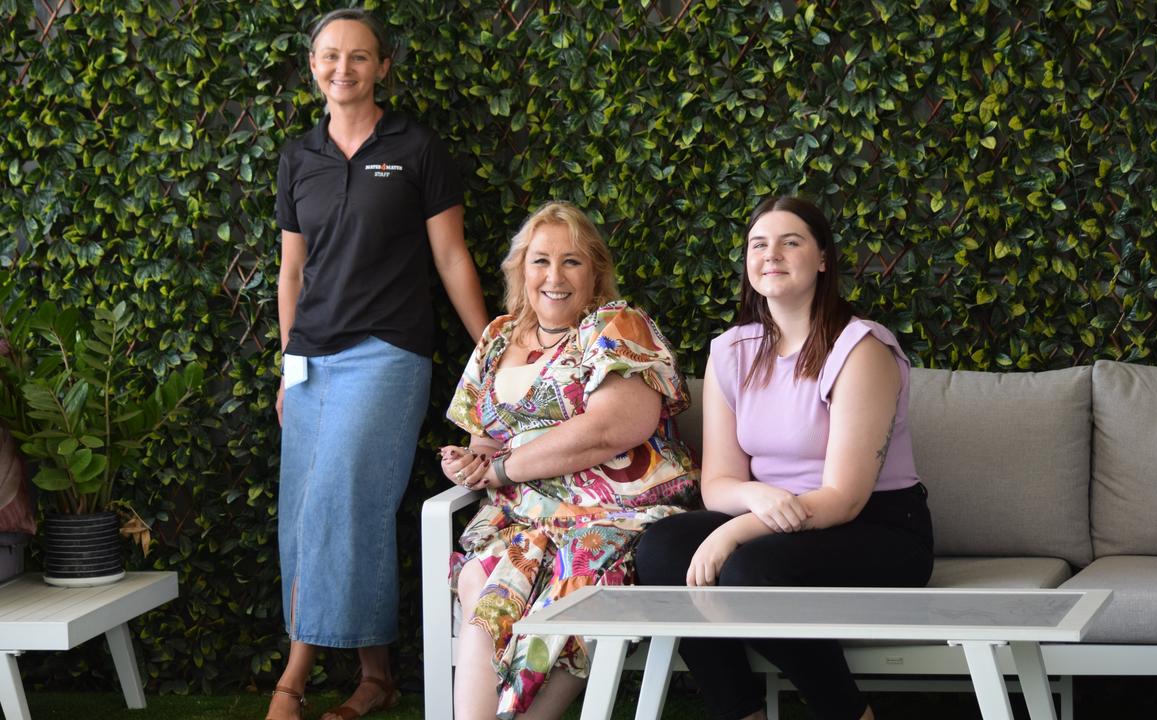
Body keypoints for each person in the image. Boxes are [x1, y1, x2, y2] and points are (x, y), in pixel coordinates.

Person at [634, 195, 934, 720]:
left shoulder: (862, 350)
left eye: (790, 242)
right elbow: (719, 483)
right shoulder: (731, 351)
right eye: (758, 244)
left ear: (822, 259)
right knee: (661, 550)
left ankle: (848, 713)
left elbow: (843, 498)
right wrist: (755, 497)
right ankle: (740, 712)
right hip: (771, 519)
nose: (771, 254)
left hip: (878, 527)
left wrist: (732, 531)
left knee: (750, 569)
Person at [268, 9, 489, 720]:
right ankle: (376, 676)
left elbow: (451, 256)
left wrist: (492, 348)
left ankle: (292, 680)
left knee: (336, 497)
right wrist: (285, 359)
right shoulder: (298, 157)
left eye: (359, 57)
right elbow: (290, 271)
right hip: (311, 361)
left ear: (383, 66)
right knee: (316, 513)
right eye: (330, 56)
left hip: (388, 353)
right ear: (312, 66)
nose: (343, 69)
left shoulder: (416, 148)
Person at [439, 201, 697, 720]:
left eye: (572, 261)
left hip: (611, 515)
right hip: (514, 519)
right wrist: (466, 465)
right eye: (540, 261)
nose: (554, 276)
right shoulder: (496, 338)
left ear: (596, 271)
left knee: (575, 577)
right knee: (487, 577)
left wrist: (504, 468)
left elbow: (614, 428)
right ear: (520, 271)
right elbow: (482, 442)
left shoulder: (616, 325)